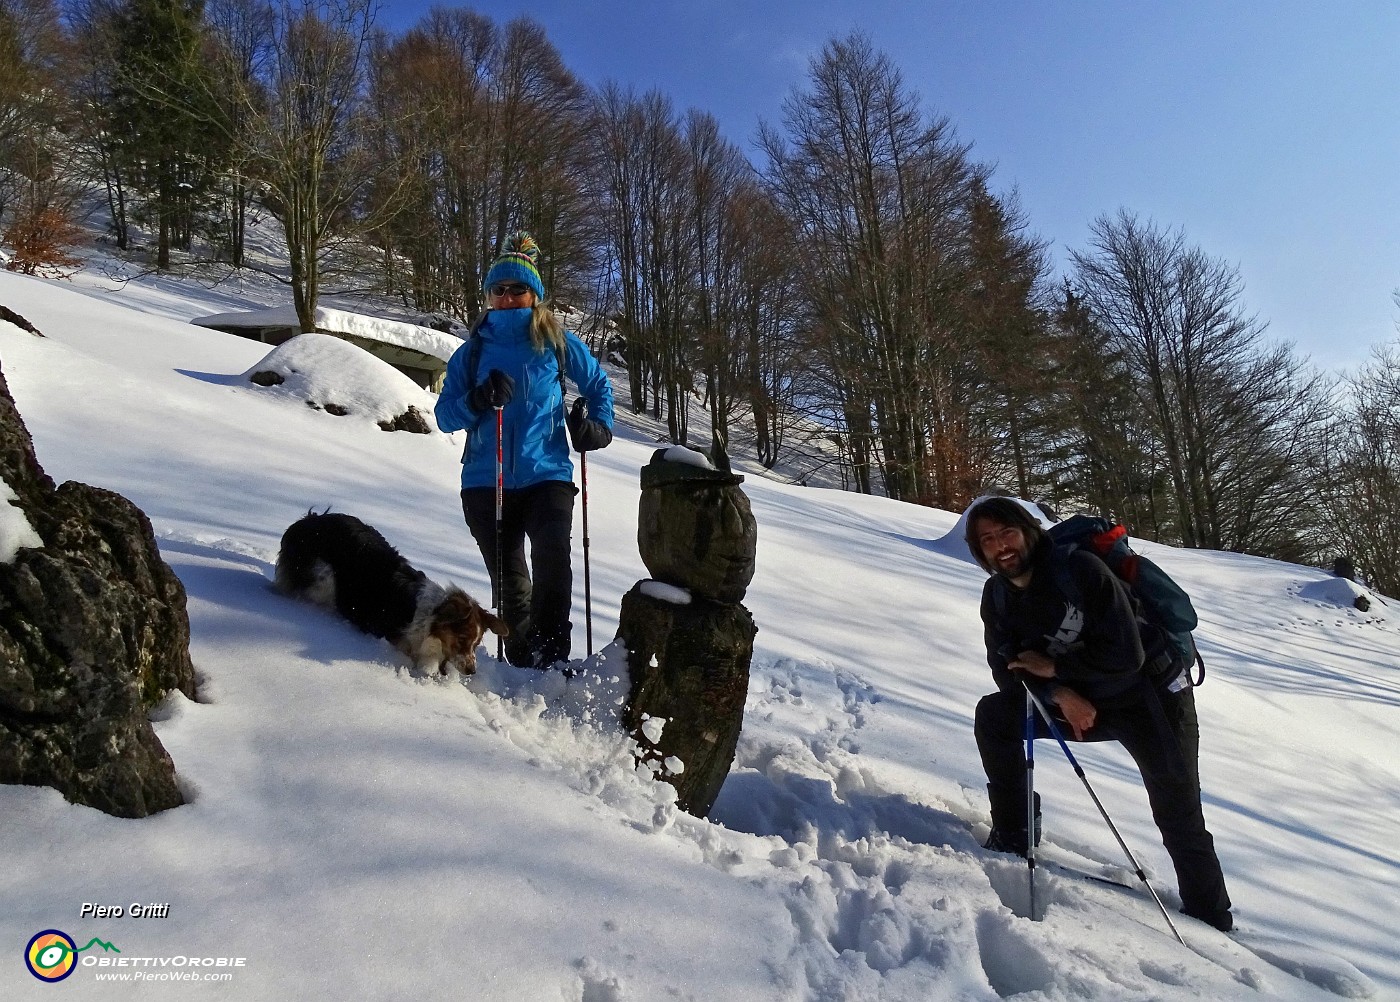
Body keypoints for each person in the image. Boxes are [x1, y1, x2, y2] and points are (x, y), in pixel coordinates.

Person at [964, 495, 1234, 932]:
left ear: (1028, 532)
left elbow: (1127, 654)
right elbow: (1006, 671)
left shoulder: (1081, 571)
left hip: (1153, 697)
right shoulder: (997, 596)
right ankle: (1014, 833)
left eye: (1007, 532)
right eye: (988, 540)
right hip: (1082, 704)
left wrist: (1055, 669)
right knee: (996, 716)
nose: (1001, 546)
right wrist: (1059, 694)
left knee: (1177, 810)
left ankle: (1211, 915)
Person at [435, 232, 614, 669]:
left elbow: (599, 386)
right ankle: (520, 663)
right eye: (499, 289)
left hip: (547, 474)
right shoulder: (470, 354)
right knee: (511, 584)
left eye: (518, 289)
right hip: (483, 481)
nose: (508, 296)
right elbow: (444, 416)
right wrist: (476, 401)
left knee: (553, 565)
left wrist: (597, 429)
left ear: (534, 295)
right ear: (489, 296)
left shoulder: (556, 341)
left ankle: (552, 660)